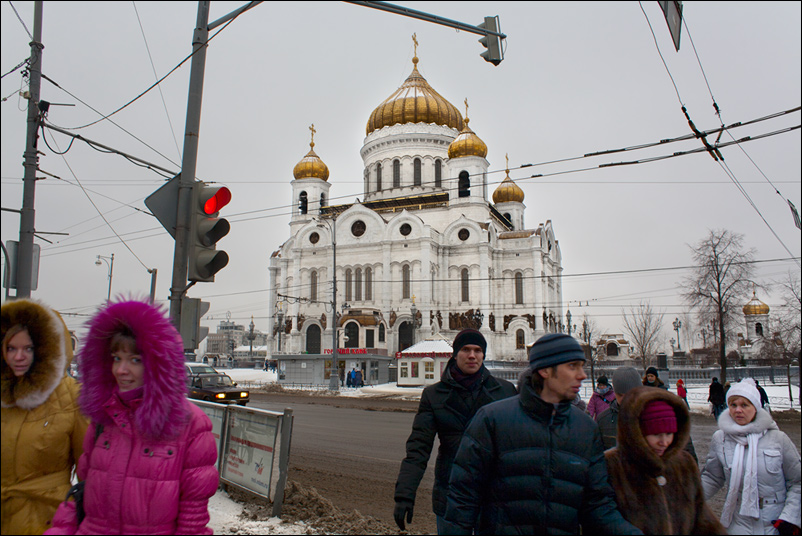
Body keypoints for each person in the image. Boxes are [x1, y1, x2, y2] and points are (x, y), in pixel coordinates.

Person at [46, 299, 219, 535]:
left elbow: (192, 520)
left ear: (159, 365)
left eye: (135, 360)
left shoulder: (191, 425)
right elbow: (85, 489)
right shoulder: (104, 418)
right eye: (116, 358)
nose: (121, 370)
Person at [444, 333, 641, 534]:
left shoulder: (585, 428)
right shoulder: (492, 420)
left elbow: (597, 504)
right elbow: (463, 499)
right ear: (546, 370)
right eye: (572, 366)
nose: (581, 375)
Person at [393, 329, 517, 534]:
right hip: (452, 494)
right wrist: (404, 494)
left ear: (483, 355)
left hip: (493, 497)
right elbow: (418, 449)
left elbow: (517, 448)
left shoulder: (504, 392)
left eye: (477, 350)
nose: (472, 355)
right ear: (455, 353)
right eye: (466, 349)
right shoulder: (434, 395)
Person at [2, 299, 90, 535]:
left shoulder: (72, 396)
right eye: (11, 348)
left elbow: (89, 472)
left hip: (49, 522)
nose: (18, 357)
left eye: (28, 348)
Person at [604, 386, 726, 534]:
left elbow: (701, 518)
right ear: (637, 432)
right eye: (655, 434)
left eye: (669, 433)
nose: (664, 442)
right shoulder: (613, 466)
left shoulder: (683, 464)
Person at [701, 378, 801, 535]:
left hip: (775, 523)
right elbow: (712, 477)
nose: (738, 410)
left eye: (744, 405)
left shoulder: (778, 439)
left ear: (756, 407)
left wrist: (789, 519)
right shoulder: (720, 438)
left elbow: (797, 482)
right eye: (733, 405)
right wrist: (686, 499)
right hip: (737, 521)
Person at [598, 366, 698, 464]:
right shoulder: (603, 420)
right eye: (621, 395)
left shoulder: (659, 413)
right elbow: (598, 459)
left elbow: (687, 453)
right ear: (614, 392)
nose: (626, 399)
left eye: (631, 394)